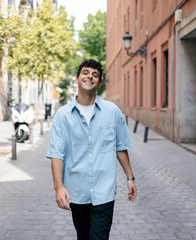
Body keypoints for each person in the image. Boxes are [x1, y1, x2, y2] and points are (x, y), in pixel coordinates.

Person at [46, 59, 137, 240]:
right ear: (77, 78)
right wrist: (59, 187)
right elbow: (57, 153)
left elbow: (120, 147)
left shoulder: (112, 112)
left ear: (99, 82)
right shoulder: (63, 116)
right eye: (86, 73)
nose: (90, 77)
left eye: (95, 75)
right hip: (76, 191)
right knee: (83, 236)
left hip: (104, 191)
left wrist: (130, 177)